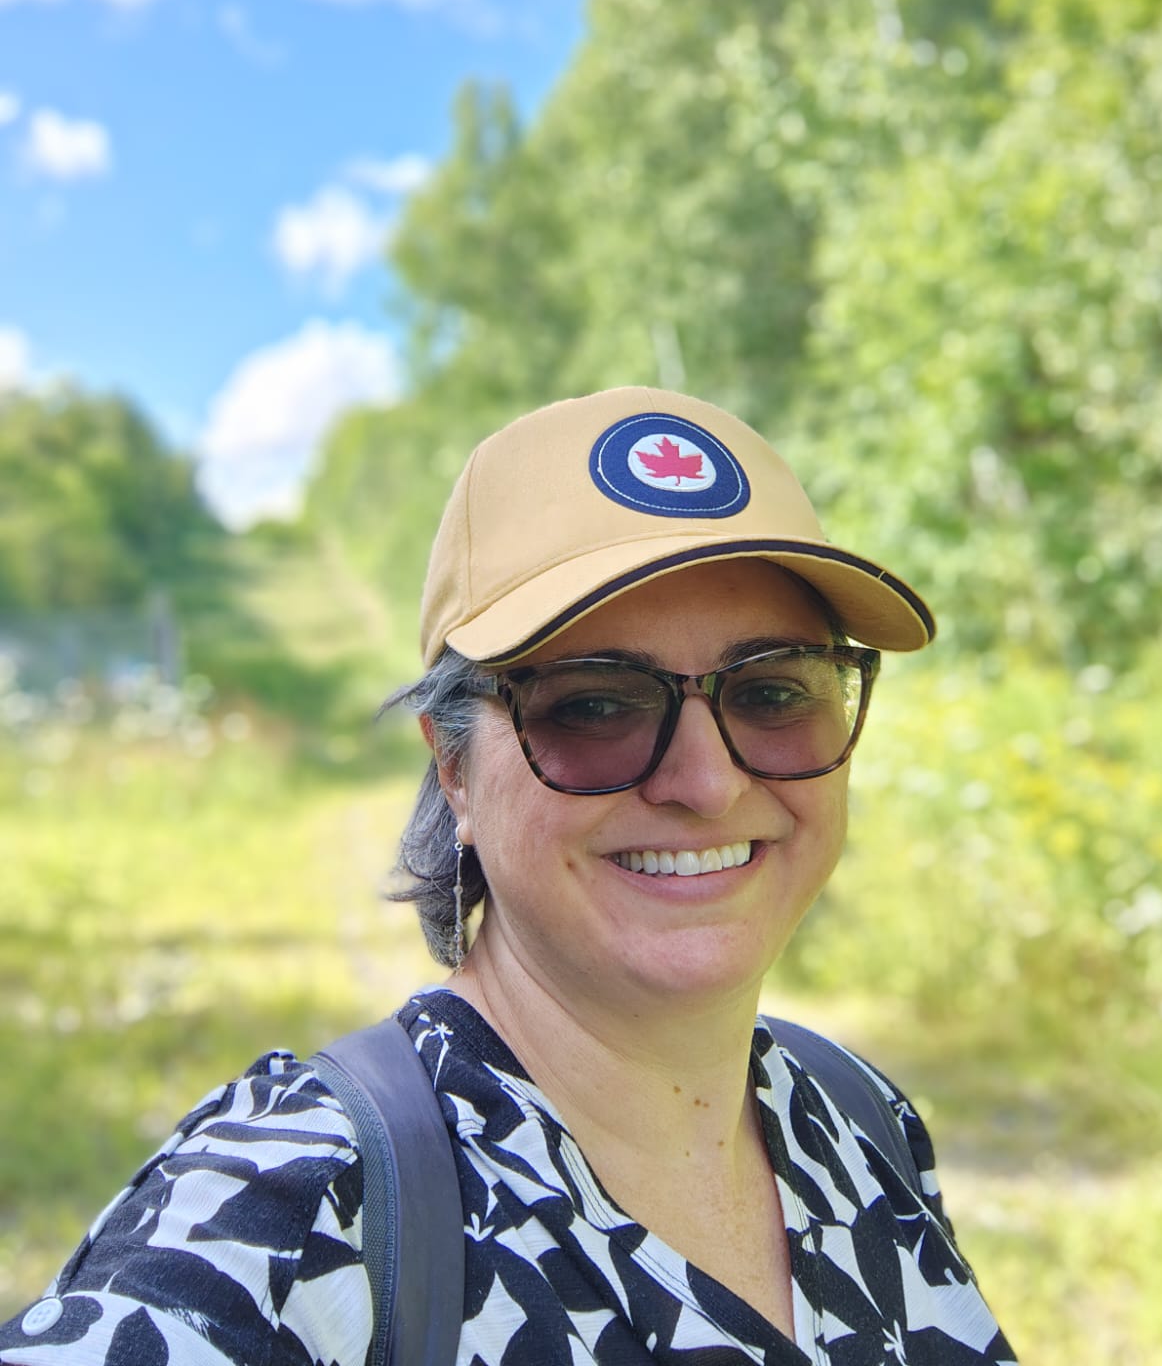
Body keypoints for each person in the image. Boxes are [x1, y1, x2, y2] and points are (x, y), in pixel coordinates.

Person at [0, 386, 1018, 1365]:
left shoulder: (858, 1121)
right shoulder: (293, 1219)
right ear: (454, 768)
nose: (707, 781)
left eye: (772, 689)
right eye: (594, 705)